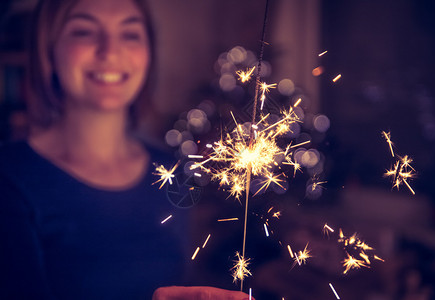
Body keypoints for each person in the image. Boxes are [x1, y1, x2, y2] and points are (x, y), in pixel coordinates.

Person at [0, 0, 251, 299]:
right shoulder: (10, 178)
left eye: (130, 34)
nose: (111, 51)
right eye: (84, 32)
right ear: (49, 50)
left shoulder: (169, 172)